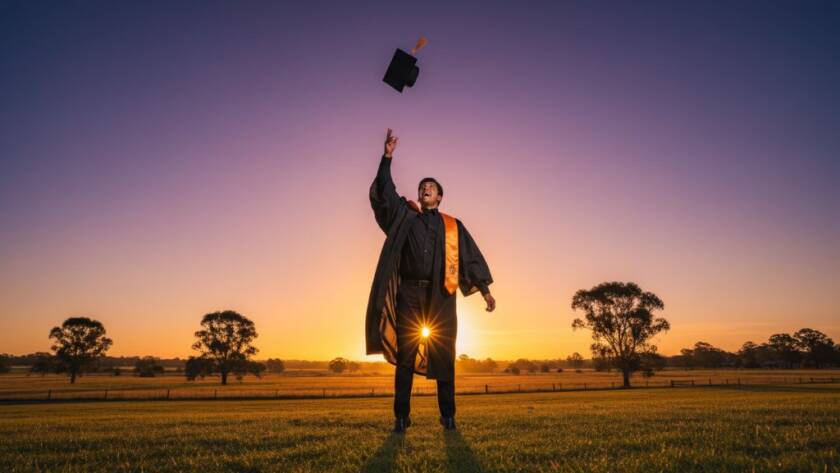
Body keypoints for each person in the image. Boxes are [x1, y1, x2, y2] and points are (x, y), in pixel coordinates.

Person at [365, 128, 495, 433]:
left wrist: (485, 292)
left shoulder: (453, 227)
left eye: (431, 186)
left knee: (445, 355)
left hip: (442, 297)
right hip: (409, 295)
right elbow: (385, 193)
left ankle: (448, 416)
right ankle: (401, 417)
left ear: (439, 196)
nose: (425, 188)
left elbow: (469, 258)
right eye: (422, 186)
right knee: (406, 358)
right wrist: (387, 157)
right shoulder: (405, 217)